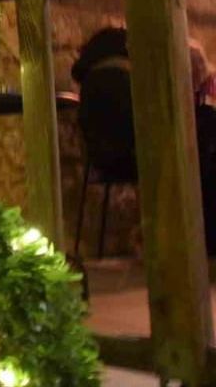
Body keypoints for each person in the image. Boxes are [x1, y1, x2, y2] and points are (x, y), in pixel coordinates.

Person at [72, 26, 216, 255]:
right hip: (141, 156)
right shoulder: (125, 78)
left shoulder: (94, 80)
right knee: (206, 137)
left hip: (105, 162)